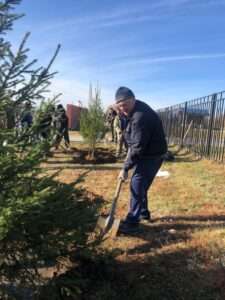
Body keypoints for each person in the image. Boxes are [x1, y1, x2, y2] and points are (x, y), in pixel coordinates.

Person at [115, 87, 168, 234]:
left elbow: (138, 147)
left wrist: (125, 168)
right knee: (140, 183)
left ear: (133, 99)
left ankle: (132, 222)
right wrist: (122, 116)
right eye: (119, 105)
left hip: (152, 155)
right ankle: (143, 213)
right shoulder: (131, 111)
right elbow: (130, 136)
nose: (122, 108)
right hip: (146, 151)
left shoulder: (140, 117)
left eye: (125, 104)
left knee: (137, 182)